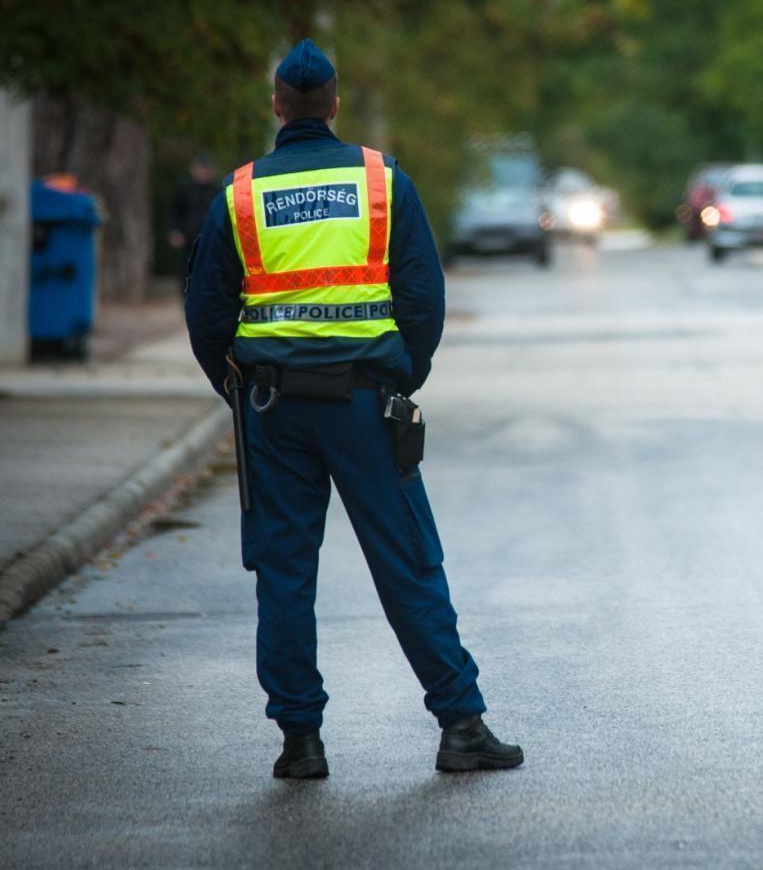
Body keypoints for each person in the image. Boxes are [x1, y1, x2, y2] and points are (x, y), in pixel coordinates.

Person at [185, 39, 522, 779]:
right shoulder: (381, 181)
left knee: (284, 571)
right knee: (407, 561)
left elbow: (207, 311)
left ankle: (300, 742)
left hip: (272, 410)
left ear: (278, 106)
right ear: (335, 104)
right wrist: (405, 377)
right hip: (365, 405)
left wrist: (236, 388)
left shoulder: (240, 195)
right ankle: (460, 725)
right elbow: (422, 298)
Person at [169, 153, 220, 295]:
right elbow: (175, 212)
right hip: (188, 242)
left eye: (206, 169)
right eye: (200, 168)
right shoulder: (184, 189)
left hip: (211, 242)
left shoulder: (218, 191)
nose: (203, 172)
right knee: (187, 274)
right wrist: (175, 232)